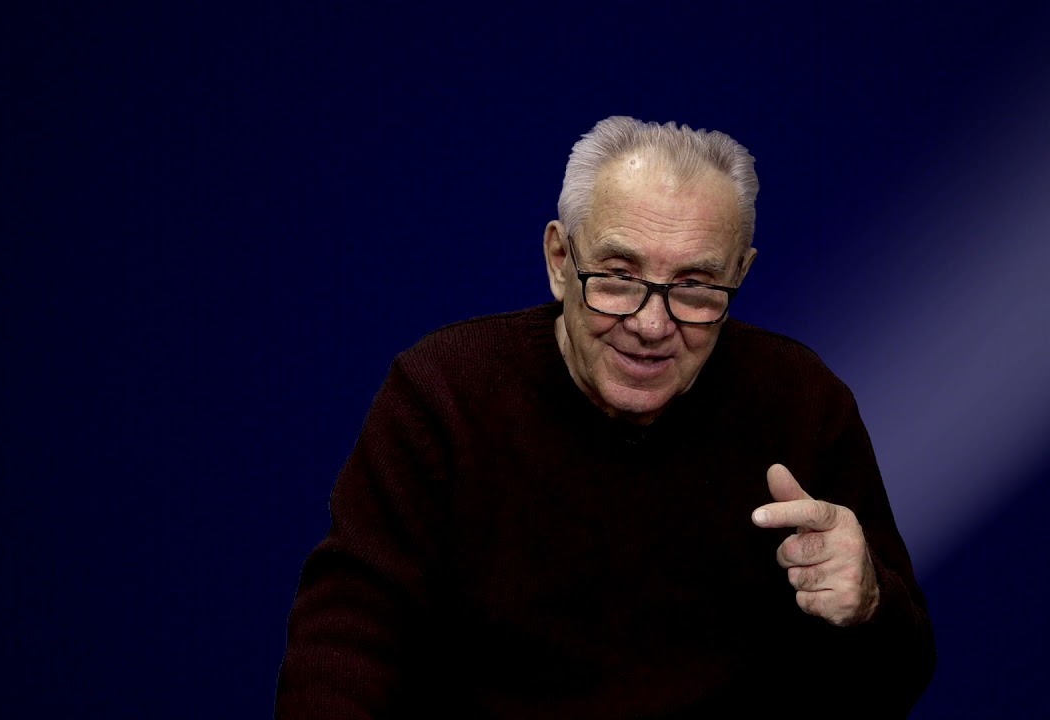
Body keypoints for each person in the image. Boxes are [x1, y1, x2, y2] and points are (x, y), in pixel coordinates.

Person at [275, 116, 936, 718]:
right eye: (618, 276)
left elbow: (898, 678)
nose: (651, 325)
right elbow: (346, 642)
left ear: (740, 273)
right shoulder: (445, 392)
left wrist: (870, 605)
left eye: (695, 287)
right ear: (560, 261)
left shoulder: (802, 401)